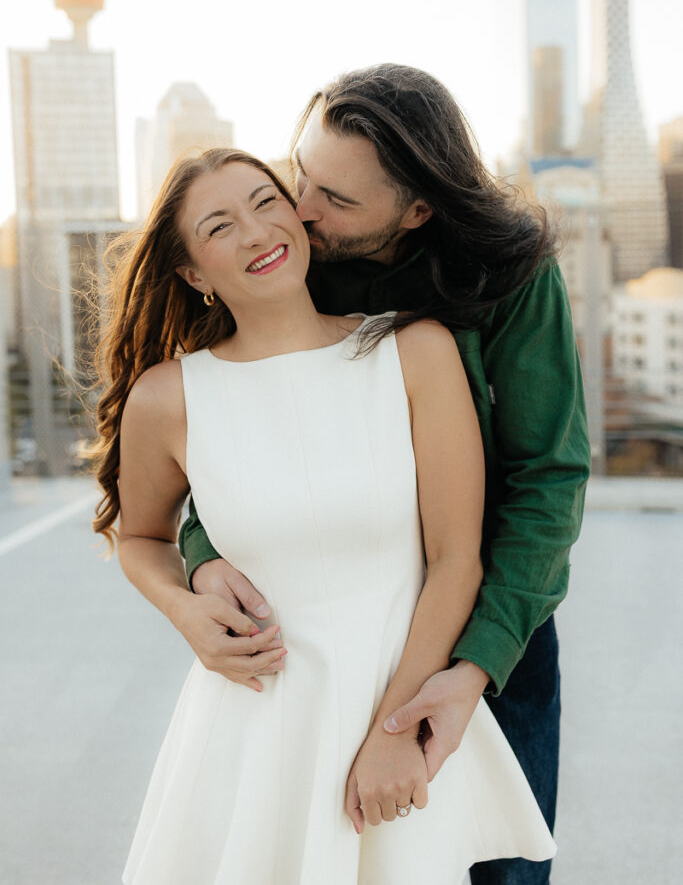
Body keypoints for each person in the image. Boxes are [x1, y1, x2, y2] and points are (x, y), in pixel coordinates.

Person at [91, 147, 556, 884]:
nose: (255, 232)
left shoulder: (414, 351)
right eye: (219, 226)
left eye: (265, 201)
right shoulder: (167, 397)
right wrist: (182, 607)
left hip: (395, 703)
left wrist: (395, 732)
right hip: (250, 726)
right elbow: (143, 535)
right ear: (191, 273)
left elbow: (455, 559)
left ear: (299, 215)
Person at [179, 64, 591, 885]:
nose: (298, 210)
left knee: (496, 869)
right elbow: (222, 420)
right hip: (324, 640)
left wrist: (467, 673)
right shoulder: (283, 251)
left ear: (418, 209)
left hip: (485, 627)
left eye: (334, 199)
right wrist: (200, 555)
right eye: (302, 173)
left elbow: (547, 479)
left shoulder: (510, 275)